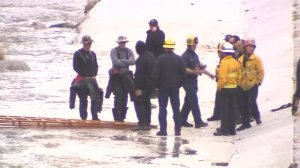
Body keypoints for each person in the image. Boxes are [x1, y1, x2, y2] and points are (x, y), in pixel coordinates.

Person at [152, 38, 186, 136]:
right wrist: (179, 85)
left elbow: (155, 75)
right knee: (176, 108)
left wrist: (156, 87)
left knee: (163, 108)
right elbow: (183, 75)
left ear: (165, 47)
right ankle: (177, 130)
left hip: (163, 88)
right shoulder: (178, 59)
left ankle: (163, 130)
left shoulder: (160, 58)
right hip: (175, 87)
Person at [180, 35, 213, 128]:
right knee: (194, 101)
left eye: (195, 45)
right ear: (189, 45)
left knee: (188, 101)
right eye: (193, 45)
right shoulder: (185, 56)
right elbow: (184, 69)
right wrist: (194, 71)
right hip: (187, 82)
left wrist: (209, 74)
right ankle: (198, 121)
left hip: (194, 81)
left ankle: (181, 119)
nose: (195, 47)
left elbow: (200, 67)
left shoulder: (195, 55)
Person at [213, 42, 241, 136]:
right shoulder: (235, 62)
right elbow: (239, 76)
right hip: (234, 88)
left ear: (224, 53)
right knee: (232, 110)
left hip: (225, 89)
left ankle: (224, 130)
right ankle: (232, 130)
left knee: (224, 110)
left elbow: (223, 78)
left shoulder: (224, 62)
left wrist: (219, 87)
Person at [236, 39, 264, 131]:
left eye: (252, 47)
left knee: (252, 101)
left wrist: (259, 81)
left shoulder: (256, 59)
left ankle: (257, 117)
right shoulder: (240, 60)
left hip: (253, 84)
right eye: (249, 47)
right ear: (245, 48)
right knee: (242, 104)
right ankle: (245, 123)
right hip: (242, 85)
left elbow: (261, 71)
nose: (251, 49)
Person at [72, 35, 100, 120]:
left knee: (95, 97)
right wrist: (85, 75)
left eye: (90, 43)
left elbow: (96, 66)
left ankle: (95, 117)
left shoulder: (93, 54)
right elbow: (75, 67)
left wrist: (93, 75)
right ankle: (83, 118)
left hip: (91, 79)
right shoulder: (77, 54)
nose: (88, 45)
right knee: (83, 99)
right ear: (83, 44)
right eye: (86, 44)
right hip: (81, 80)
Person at [109, 36, 135, 122]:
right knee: (118, 95)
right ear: (118, 43)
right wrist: (125, 61)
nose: (123, 44)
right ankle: (117, 117)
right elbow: (115, 62)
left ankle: (123, 117)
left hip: (126, 77)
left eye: (124, 42)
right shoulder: (113, 51)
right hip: (116, 77)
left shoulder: (129, 51)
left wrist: (121, 61)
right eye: (121, 42)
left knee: (125, 96)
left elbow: (133, 61)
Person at [132, 41, 156, 131]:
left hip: (143, 85)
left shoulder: (140, 60)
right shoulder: (151, 55)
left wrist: (137, 87)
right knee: (147, 103)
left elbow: (139, 75)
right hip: (151, 84)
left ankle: (142, 123)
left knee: (139, 102)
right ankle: (148, 123)